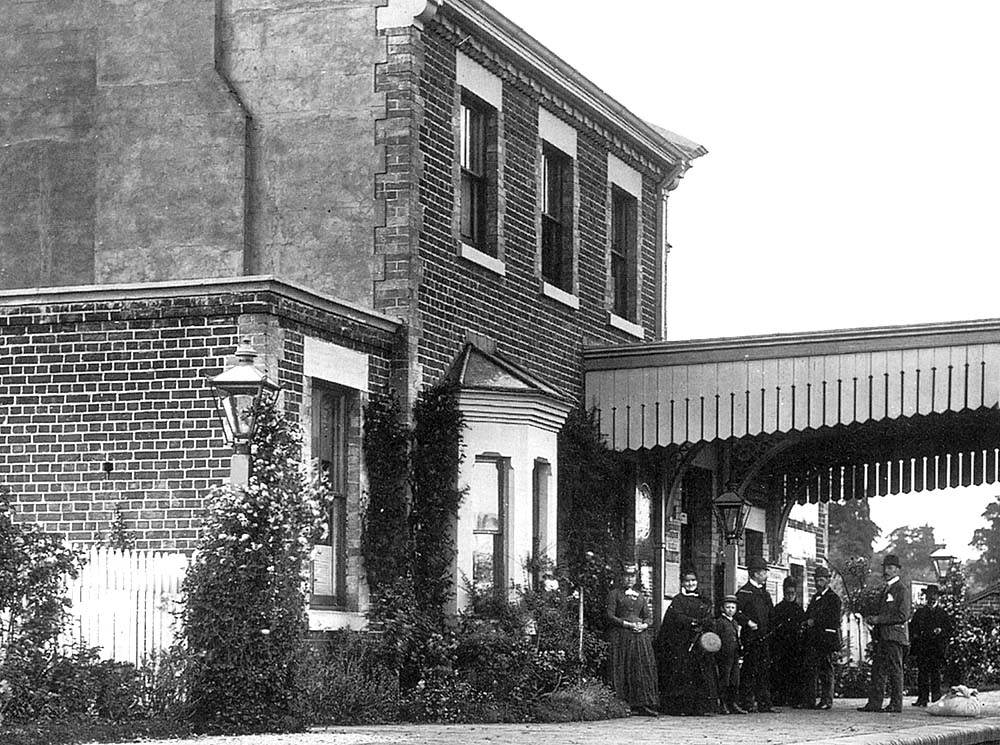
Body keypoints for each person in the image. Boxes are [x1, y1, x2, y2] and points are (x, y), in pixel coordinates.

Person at [654, 568, 719, 716]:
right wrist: (692, 623)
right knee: (683, 675)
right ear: (682, 583)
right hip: (682, 644)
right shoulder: (678, 600)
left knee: (701, 674)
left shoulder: (704, 599)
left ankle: (701, 708)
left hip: (700, 644)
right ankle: (681, 708)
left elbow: (710, 617)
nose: (690, 584)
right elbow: (676, 618)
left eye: (693, 581)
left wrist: (703, 623)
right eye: (687, 581)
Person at [857, 553, 911, 713]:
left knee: (895, 670)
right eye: (885, 568)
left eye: (890, 568)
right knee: (878, 669)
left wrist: (879, 619)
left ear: (897, 570)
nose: (886, 571)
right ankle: (874, 703)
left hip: (894, 637)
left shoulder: (901, 590)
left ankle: (896, 704)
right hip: (882, 637)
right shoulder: (885, 589)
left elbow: (903, 615)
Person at [605, 563, 659, 716]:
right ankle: (623, 703)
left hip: (639, 637)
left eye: (632, 576)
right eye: (626, 576)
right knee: (622, 667)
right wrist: (626, 624)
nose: (629, 579)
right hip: (621, 636)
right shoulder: (614, 594)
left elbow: (648, 617)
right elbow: (609, 615)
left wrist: (644, 625)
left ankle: (641, 704)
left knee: (640, 668)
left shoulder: (640, 596)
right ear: (622, 577)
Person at [737, 556, 775, 713]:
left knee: (764, 670)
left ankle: (765, 703)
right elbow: (735, 612)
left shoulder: (764, 594)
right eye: (764, 572)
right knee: (750, 669)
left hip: (765, 637)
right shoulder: (744, 592)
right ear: (755, 573)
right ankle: (747, 703)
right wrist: (748, 622)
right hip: (751, 638)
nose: (766, 575)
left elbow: (771, 613)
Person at [802, 564, 842, 710]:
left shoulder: (833, 599)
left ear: (828, 581)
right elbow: (808, 615)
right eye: (816, 580)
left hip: (826, 639)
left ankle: (827, 700)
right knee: (811, 669)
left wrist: (815, 621)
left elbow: (834, 620)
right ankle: (809, 700)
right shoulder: (815, 598)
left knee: (826, 669)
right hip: (813, 639)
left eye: (821, 580)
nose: (818, 583)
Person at [909, 584, 953, 706]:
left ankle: (936, 698)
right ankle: (922, 699)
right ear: (926, 597)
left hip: (936, 648)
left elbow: (949, 630)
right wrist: (917, 636)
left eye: (934, 595)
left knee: (935, 673)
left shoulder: (943, 614)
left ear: (938, 597)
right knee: (922, 673)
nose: (932, 598)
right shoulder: (920, 613)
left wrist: (941, 631)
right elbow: (912, 628)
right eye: (929, 595)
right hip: (923, 647)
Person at [770, 576, 806, 707]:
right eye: (787, 593)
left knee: (795, 671)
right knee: (780, 671)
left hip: (795, 646)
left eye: (792, 593)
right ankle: (780, 697)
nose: (790, 596)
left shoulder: (799, 609)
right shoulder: (778, 609)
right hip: (781, 645)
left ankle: (794, 698)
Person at [715, 594, 746, 715]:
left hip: (734, 655)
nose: (730, 610)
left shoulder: (734, 623)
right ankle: (723, 704)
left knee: (734, 680)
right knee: (725, 680)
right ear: (722, 608)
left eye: (733, 608)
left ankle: (733, 703)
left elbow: (737, 638)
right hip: (724, 655)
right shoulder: (719, 622)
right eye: (727, 607)